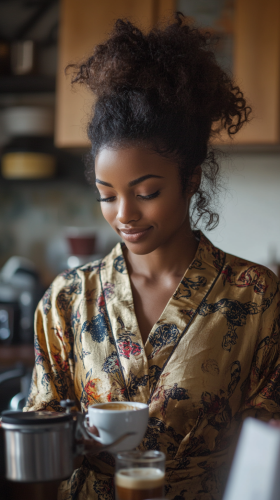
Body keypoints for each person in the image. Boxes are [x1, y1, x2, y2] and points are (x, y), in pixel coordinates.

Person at [24, 14, 280, 500]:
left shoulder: (256, 297)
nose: (124, 215)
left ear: (192, 180)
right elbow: (41, 433)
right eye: (107, 194)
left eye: (146, 192)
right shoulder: (67, 300)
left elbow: (268, 448)